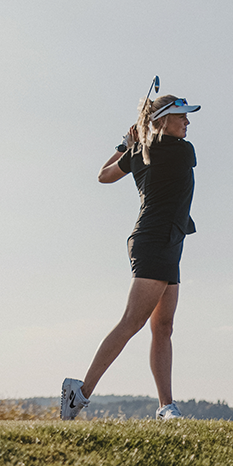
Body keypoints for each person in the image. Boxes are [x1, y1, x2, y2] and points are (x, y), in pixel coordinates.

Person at [61, 92, 199, 420]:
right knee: (133, 321)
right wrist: (134, 142)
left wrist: (125, 144)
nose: (188, 122)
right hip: (154, 240)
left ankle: (166, 407)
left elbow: (104, 174)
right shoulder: (182, 150)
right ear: (163, 119)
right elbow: (104, 176)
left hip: (167, 240)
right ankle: (80, 393)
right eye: (182, 116)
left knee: (163, 326)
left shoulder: (138, 152)